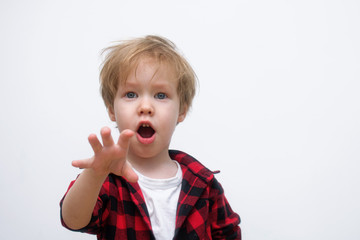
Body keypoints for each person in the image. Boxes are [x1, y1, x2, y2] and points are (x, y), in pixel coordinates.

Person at [60, 35, 241, 240]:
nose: (145, 107)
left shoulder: (204, 183)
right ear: (112, 110)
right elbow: (72, 220)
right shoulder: (106, 178)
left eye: (160, 95)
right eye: (131, 94)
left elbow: (229, 234)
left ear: (181, 111)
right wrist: (95, 174)